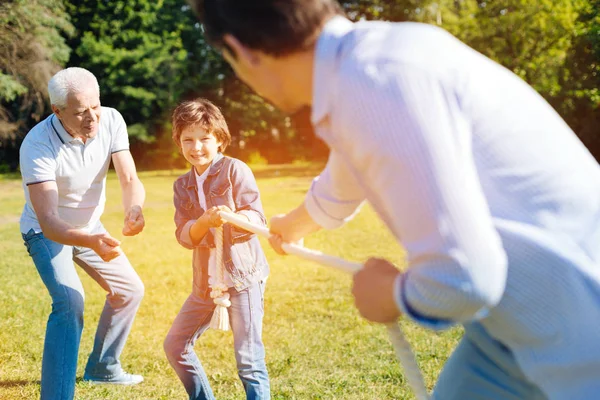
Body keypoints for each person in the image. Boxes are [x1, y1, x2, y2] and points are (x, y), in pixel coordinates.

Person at [191, 1, 600, 399]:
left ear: (240, 50)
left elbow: (464, 279)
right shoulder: (370, 63)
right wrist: (296, 223)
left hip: (580, 335)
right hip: (512, 330)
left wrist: (389, 294)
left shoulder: (372, 84)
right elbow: (346, 176)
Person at [19, 67, 146, 400]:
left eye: (96, 106)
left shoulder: (112, 120)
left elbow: (129, 179)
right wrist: (89, 240)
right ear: (57, 111)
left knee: (129, 290)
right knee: (70, 302)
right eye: (80, 112)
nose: (92, 117)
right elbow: (48, 220)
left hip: (91, 227)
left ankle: (103, 368)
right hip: (47, 232)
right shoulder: (38, 144)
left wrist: (135, 208)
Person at [163, 98, 270, 400]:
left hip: (242, 278)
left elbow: (256, 217)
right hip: (206, 284)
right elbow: (185, 236)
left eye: (204, 139)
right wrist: (203, 221)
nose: (196, 147)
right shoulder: (181, 185)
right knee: (175, 345)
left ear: (220, 140)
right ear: (179, 143)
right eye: (188, 140)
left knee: (249, 361)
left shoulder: (236, 170)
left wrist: (231, 216)